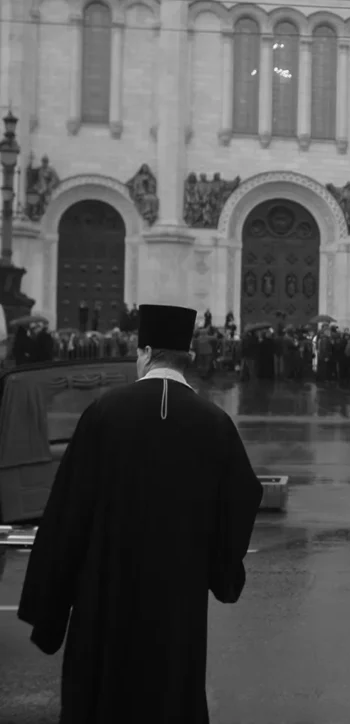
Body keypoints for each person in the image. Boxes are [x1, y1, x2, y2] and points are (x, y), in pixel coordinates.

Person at [18, 304, 263, 724]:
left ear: (146, 351)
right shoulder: (215, 423)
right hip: (177, 601)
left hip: (105, 592)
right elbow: (243, 498)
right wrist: (220, 569)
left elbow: (68, 512)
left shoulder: (105, 414)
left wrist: (51, 609)